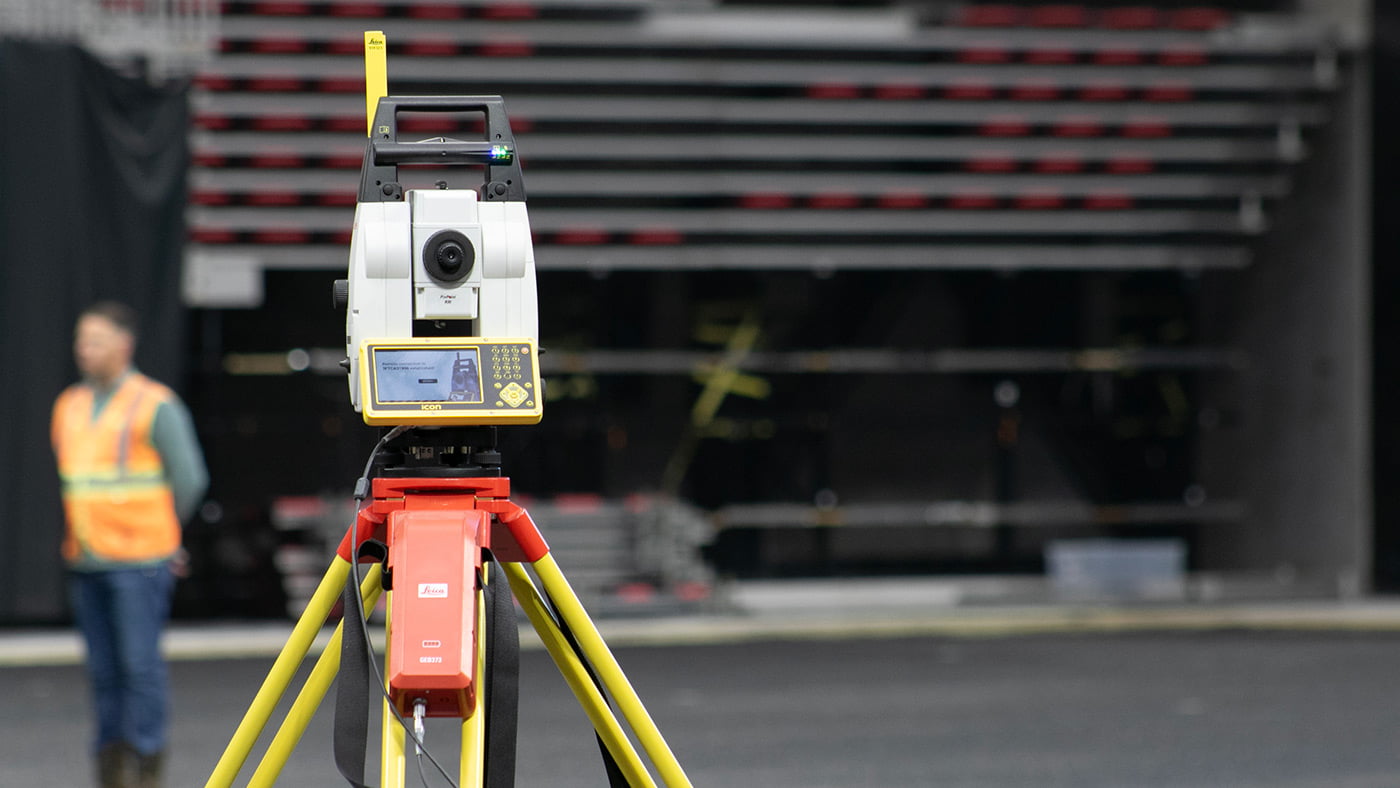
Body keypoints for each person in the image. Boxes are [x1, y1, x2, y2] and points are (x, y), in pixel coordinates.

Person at [51, 302, 208, 788]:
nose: (84, 350)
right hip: (88, 559)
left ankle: (145, 764)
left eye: (94, 340)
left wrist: (162, 534)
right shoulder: (69, 406)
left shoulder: (154, 404)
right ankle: (111, 765)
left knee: (139, 669)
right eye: (81, 340)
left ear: (124, 345)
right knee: (104, 673)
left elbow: (190, 480)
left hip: (140, 561)